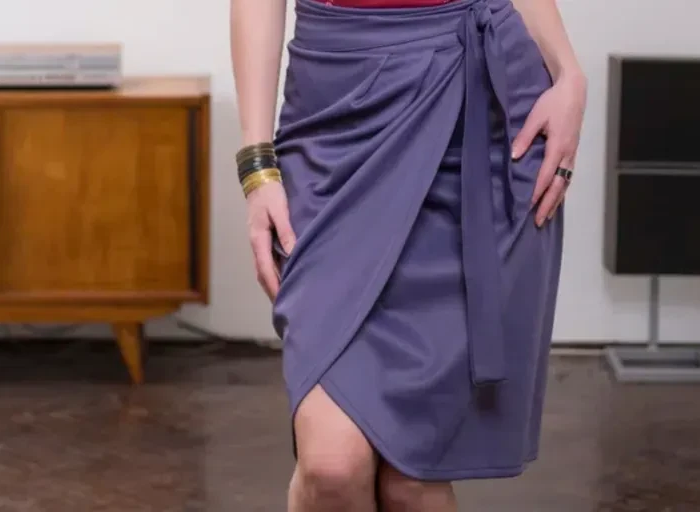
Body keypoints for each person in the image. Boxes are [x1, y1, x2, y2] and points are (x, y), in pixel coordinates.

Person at [230, 0, 585, 509]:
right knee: (331, 467)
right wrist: (257, 166)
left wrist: (569, 73)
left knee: (413, 481)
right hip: (339, 111)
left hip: (471, 118)